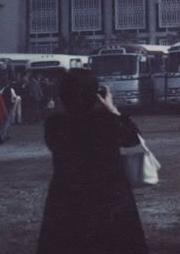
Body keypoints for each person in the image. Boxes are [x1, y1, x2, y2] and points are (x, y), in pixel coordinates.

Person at [36, 68, 148, 254]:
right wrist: (111, 108)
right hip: (110, 198)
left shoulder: (54, 124)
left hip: (67, 198)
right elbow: (133, 138)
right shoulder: (106, 121)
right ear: (95, 93)